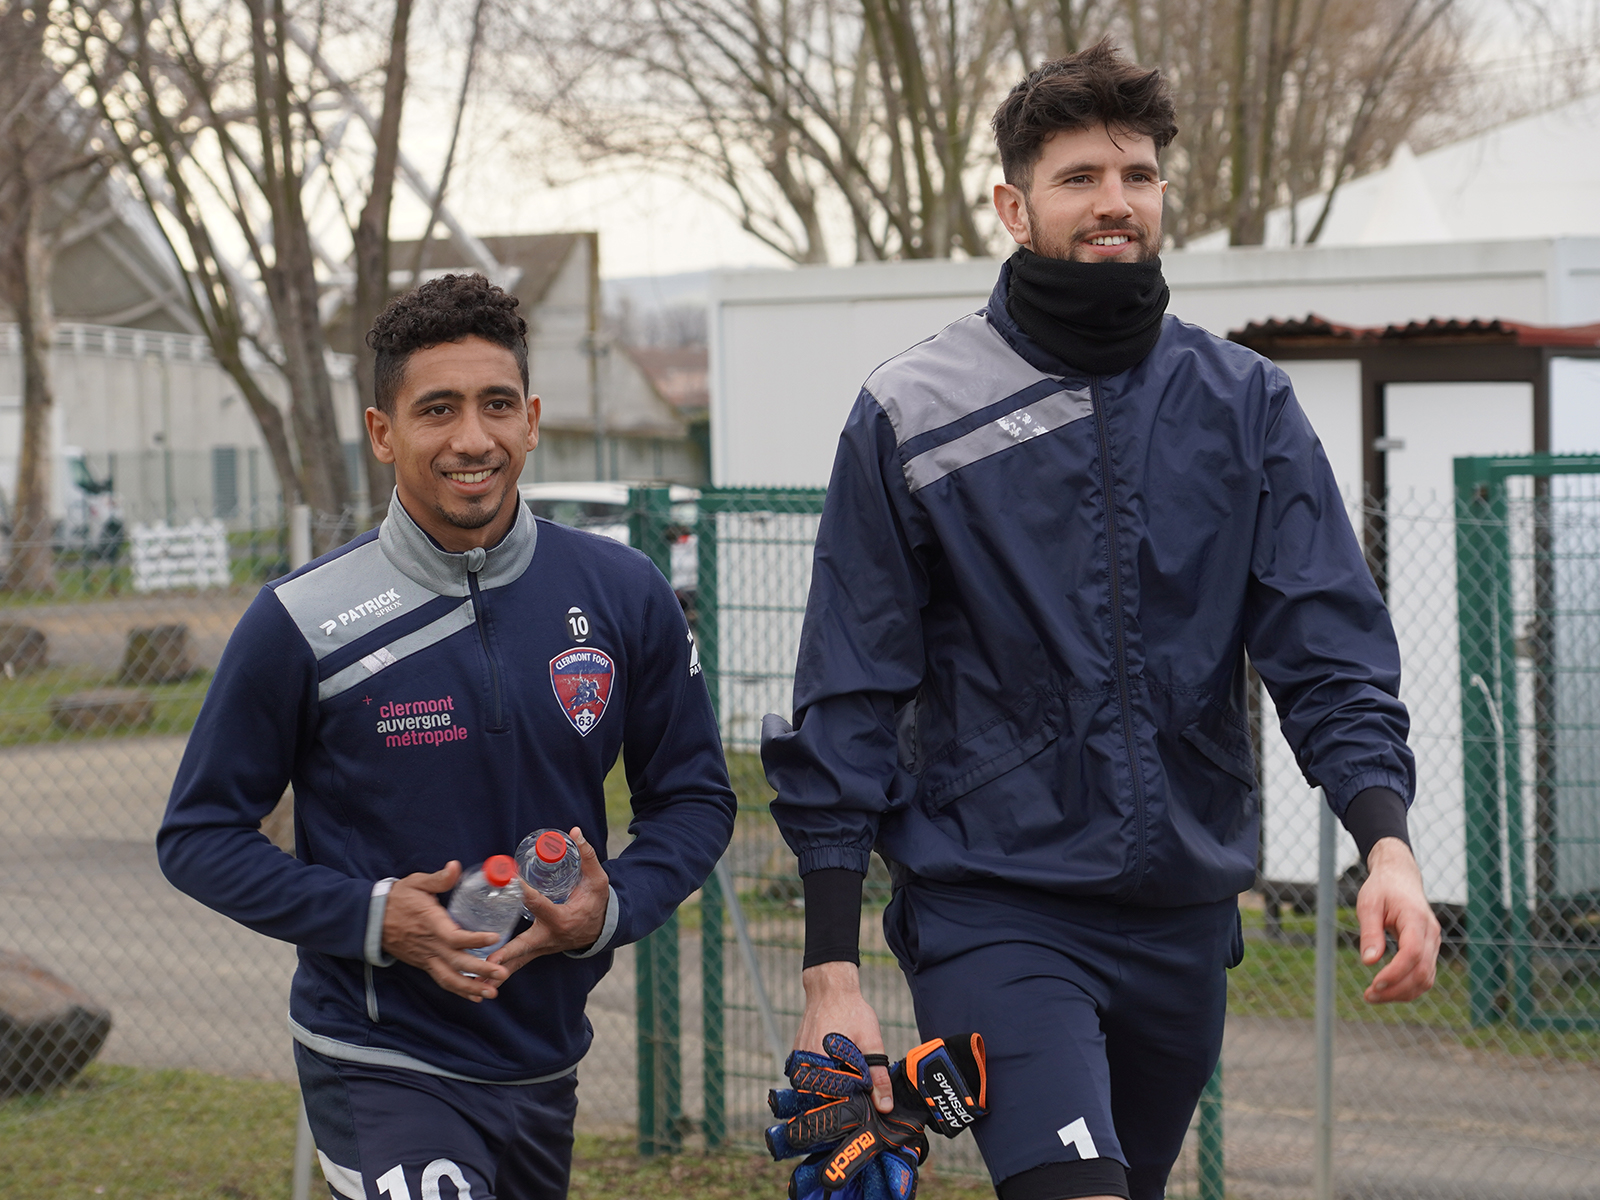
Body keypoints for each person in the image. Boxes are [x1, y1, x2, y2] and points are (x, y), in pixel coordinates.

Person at [761, 40, 1442, 1200]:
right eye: (1080, 177)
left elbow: (1323, 650)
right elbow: (850, 686)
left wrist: (1386, 839)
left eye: (1136, 174)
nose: (1114, 202)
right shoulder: (913, 411)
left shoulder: (1244, 404)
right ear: (1013, 206)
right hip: (995, 908)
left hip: (1181, 921)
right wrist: (832, 963)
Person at [158, 273, 735, 1199]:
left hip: (544, 1060)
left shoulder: (624, 594)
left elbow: (696, 800)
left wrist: (610, 909)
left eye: (497, 405)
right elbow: (198, 838)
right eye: (439, 410)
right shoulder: (303, 620)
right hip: (380, 1056)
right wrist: (375, 918)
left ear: (533, 419)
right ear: (384, 432)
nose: (474, 439)